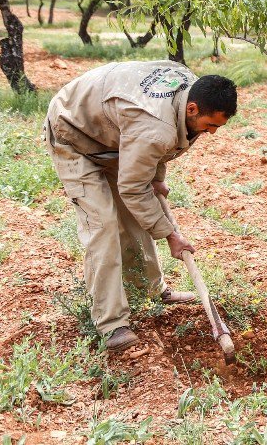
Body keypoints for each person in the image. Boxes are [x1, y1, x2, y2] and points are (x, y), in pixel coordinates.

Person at [44, 61, 237, 350]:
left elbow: (159, 147)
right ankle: (111, 325)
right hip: (74, 133)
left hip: (113, 134)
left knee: (136, 217)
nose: (212, 133)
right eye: (211, 126)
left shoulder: (191, 92)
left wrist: (156, 178)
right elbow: (135, 182)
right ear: (193, 109)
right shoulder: (154, 126)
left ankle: (152, 289)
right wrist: (171, 235)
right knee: (104, 226)